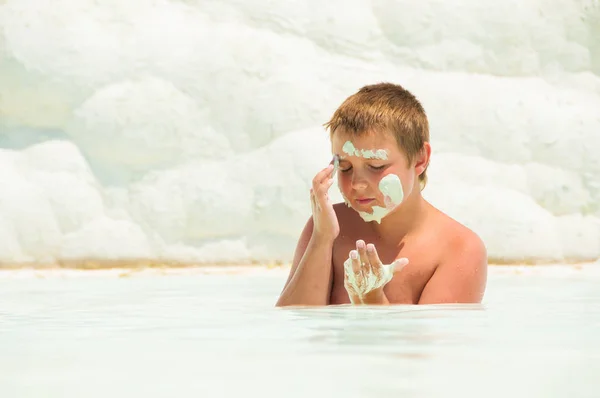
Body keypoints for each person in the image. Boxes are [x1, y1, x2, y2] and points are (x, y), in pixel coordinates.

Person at [276, 82, 487, 306]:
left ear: (420, 159)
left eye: (376, 166)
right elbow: (294, 325)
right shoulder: (327, 228)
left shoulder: (458, 249)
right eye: (345, 167)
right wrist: (321, 239)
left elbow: (428, 340)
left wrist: (371, 298)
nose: (357, 184)